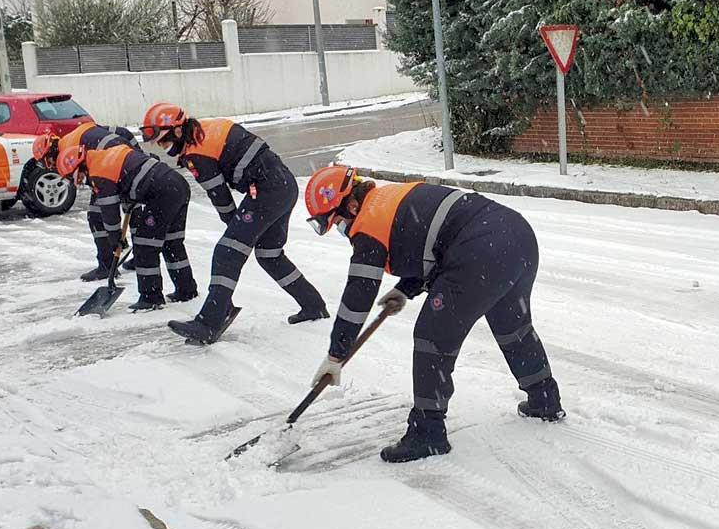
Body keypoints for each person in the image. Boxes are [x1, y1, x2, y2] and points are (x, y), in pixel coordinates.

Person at [303, 165, 564, 463]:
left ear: (350, 205)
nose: (342, 231)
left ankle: (427, 433)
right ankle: (544, 398)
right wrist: (405, 289)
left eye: (336, 224)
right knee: (512, 324)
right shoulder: (390, 198)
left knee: (432, 335)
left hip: (480, 250)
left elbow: (357, 297)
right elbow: (429, 243)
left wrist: (336, 354)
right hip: (516, 235)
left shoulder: (367, 223)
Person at [139, 103, 327, 344]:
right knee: (270, 255)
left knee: (227, 253)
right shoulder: (205, 129)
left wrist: (236, 230)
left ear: (177, 132)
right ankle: (313, 305)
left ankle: (210, 321)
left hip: (267, 190)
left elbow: (220, 197)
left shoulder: (197, 153)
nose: (161, 147)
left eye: (162, 140)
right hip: (284, 184)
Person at [55, 140, 196, 311]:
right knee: (171, 242)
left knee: (145, 246)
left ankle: (150, 298)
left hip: (162, 194)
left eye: (74, 177)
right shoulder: (105, 157)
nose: (77, 182)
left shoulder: (99, 171)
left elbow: (109, 212)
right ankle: (186, 290)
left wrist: (115, 239)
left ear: (79, 166)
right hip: (177, 185)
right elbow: (132, 176)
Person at [35, 124, 146, 281]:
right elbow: (122, 132)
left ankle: (107, 266)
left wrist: (113, 233)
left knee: (96, 216)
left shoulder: (68, 152)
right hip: (126, 163)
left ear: (50, 154)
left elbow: (91, 176)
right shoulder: (74, 135)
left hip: (112, 170)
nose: (49, 167)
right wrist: (138, 153)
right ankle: (141, 258)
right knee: (133, 210)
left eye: (46, 162)